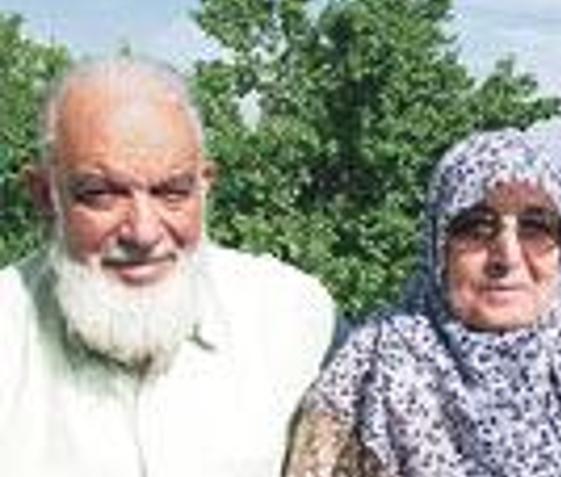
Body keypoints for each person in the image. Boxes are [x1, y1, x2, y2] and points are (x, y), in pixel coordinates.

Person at [0, 57, 335, 476]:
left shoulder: (296, 321)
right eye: (102, 194)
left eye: (172, 192)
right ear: (44, 196)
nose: (143, 232)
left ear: (205, 187)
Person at [284, 129, 561, 476]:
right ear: (438, 247)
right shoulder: (373, 367)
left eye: (535, 228)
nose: (507, 257)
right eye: (476, 227)